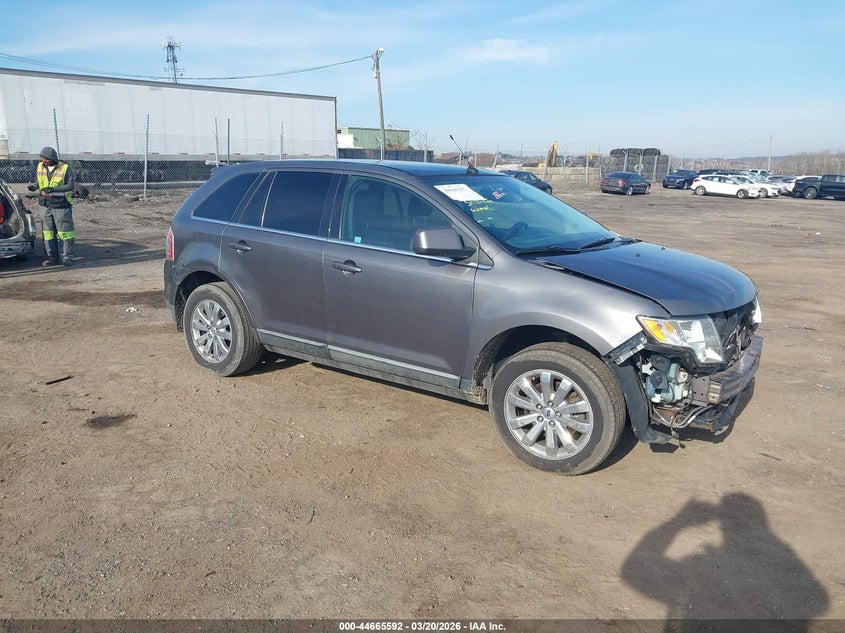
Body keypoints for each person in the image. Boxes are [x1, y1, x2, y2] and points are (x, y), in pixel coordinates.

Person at [27, 146, 77, 266]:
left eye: (45, 159)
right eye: (42, 159)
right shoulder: (40, 167)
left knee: (65, 232)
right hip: (45, 204)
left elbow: (70, 186)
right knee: (48, 232)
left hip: (60, 205)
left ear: (52, 159)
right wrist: (34, 186)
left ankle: (67, 257)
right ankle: (51, 257)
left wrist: (53, 189)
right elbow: (39, 181)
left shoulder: (65, 169)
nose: (43, 161)